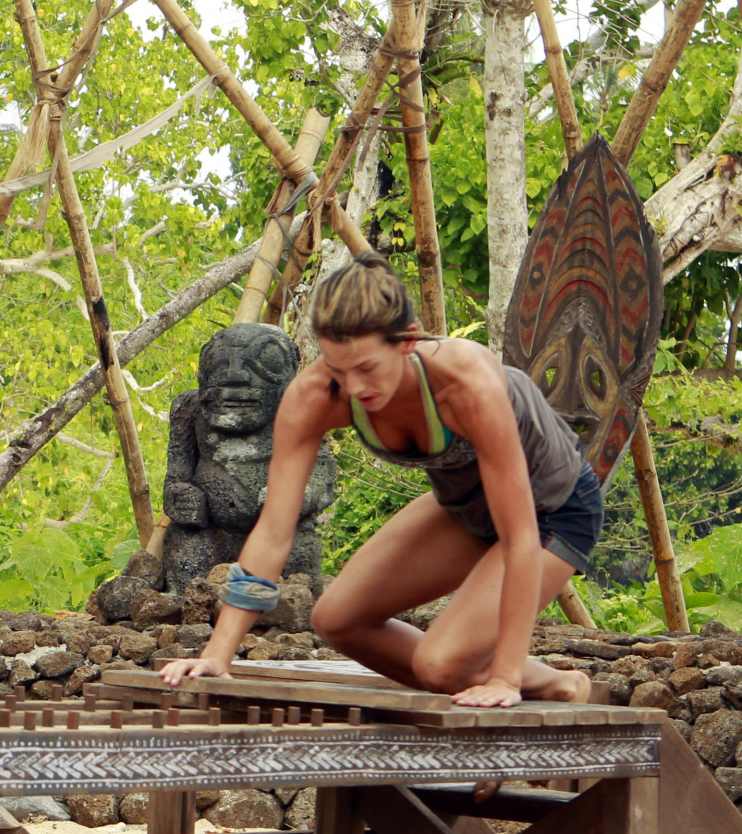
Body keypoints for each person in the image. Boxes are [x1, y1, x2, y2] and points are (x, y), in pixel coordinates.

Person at [161, 253, 601, 709]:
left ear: (408, 340)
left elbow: (520, 537)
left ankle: (530, 680)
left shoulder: (465, 381)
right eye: (337, 369)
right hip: (464, 505)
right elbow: (274, 531)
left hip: (550, 510)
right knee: (335, 619)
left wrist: (507, 679)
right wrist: (218, 654)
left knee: (439, 665)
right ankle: (514, 678)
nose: (351, 388)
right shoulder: (314, 396)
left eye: (366, 368)